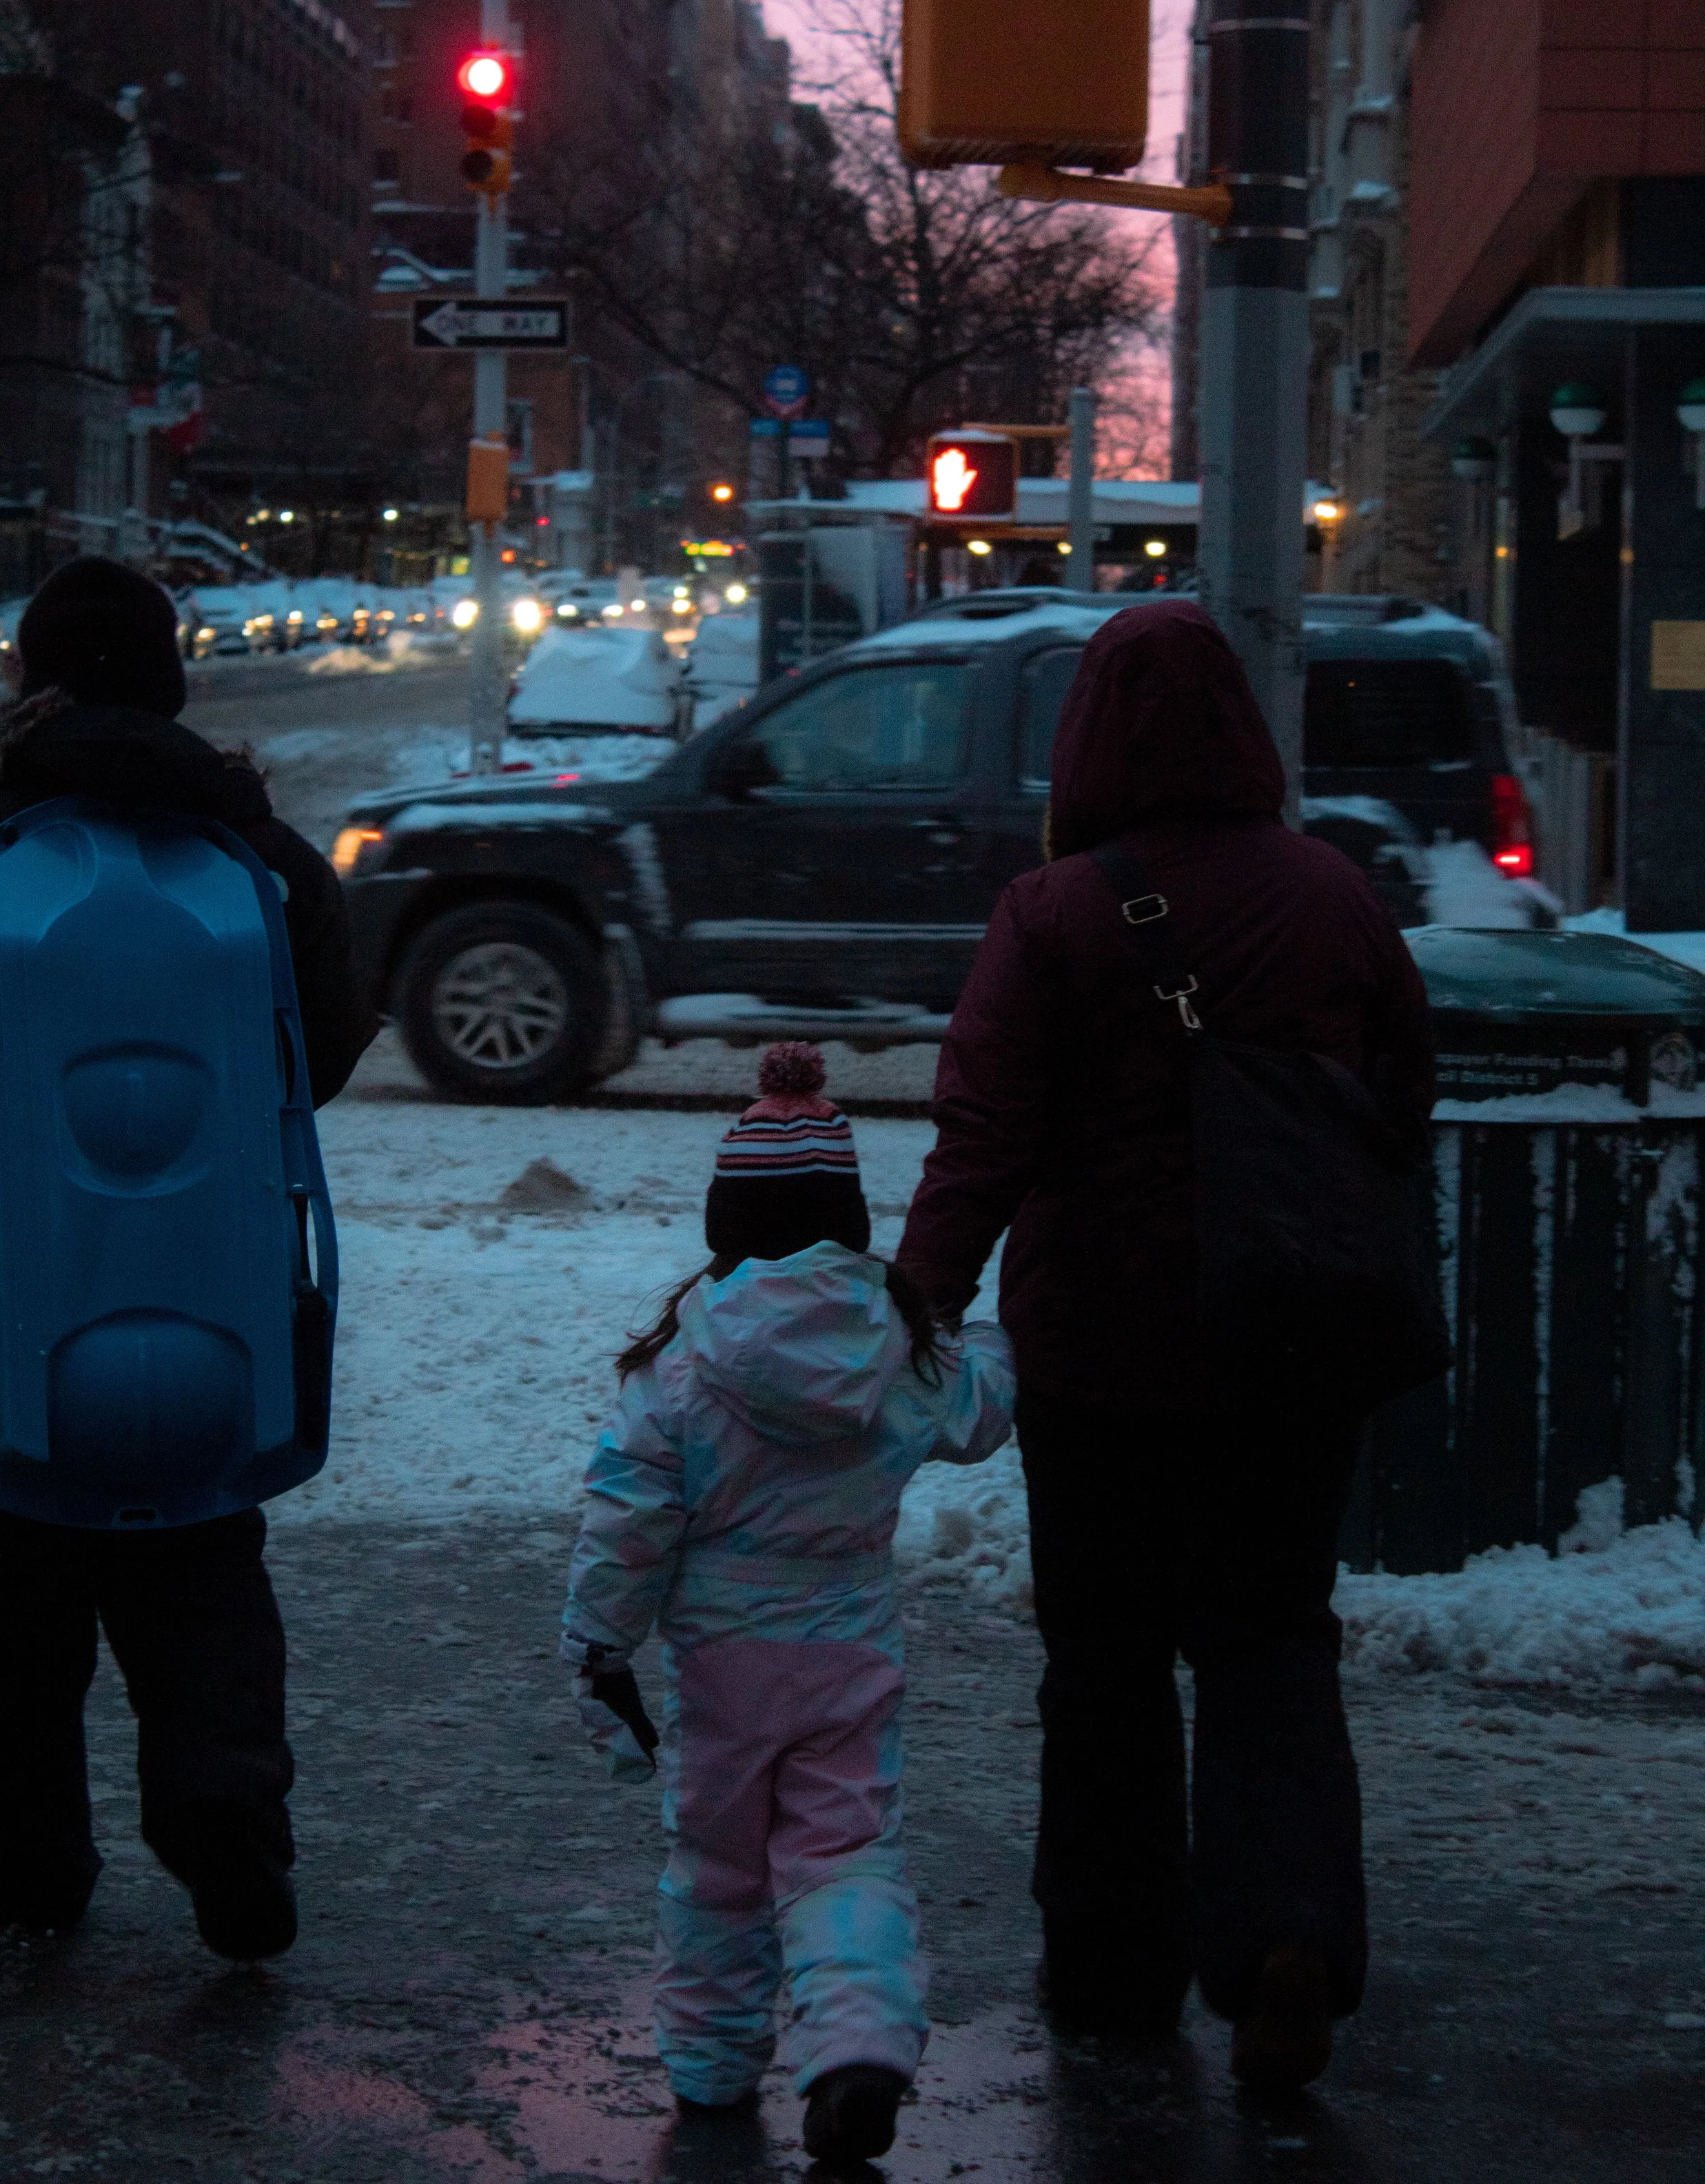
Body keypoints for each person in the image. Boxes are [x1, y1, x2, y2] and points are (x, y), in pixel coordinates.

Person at [896, 601, 1435, 2090]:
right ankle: (1287, 1944)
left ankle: (1111, 1970)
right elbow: (1401, 1089)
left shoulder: (1054, 911)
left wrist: (921, 1296)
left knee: (1106, 1658)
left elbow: (983, 1136)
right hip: (1288, 1341)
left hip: (1102, 1355)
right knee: (1268, 1636)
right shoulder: (1331, 894)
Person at [0, 557, 376, 1959]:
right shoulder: (259, 859)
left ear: (32, 681)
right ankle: (223, 1813)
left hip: (9, 1311)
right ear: (169, 681)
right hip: (217, 1304)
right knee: (203, 1579)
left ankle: (25, 1858)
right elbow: (316, 1055)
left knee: (12, 1605)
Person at [560, 1039, 1015, 2166]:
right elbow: (981, 1412)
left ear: (727, 1225)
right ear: (849, 1221)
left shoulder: (677, 1369)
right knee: (847, 1850)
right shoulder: (900, 1350)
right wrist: (1002, 1334)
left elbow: (626, 1520)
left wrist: (599, 1644)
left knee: (717, 1866)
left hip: (723, 1669)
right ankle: (858, 2044)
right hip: (849, 1650)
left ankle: (712, 2067)